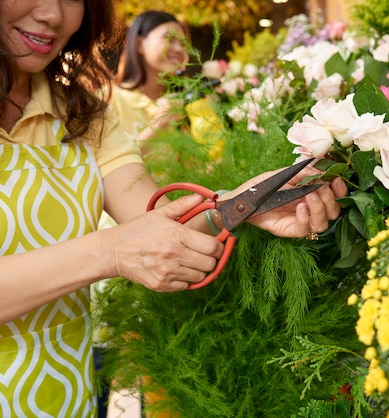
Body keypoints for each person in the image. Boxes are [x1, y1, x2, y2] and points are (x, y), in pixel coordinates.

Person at [0, 1, 347, 417]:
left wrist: (236, 207)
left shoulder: (81, 114)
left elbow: (159, 223)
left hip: (66, 397)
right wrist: (109, 251)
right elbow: (124, 242)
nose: (53, 14)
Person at [111, 10, 190, 146]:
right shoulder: (111, 99)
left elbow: (192, 167)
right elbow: (110, 164)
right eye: (169, 38)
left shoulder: (182, 108)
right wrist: (161, 122)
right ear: (139, 44)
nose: (179, 49)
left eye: (184, 44)